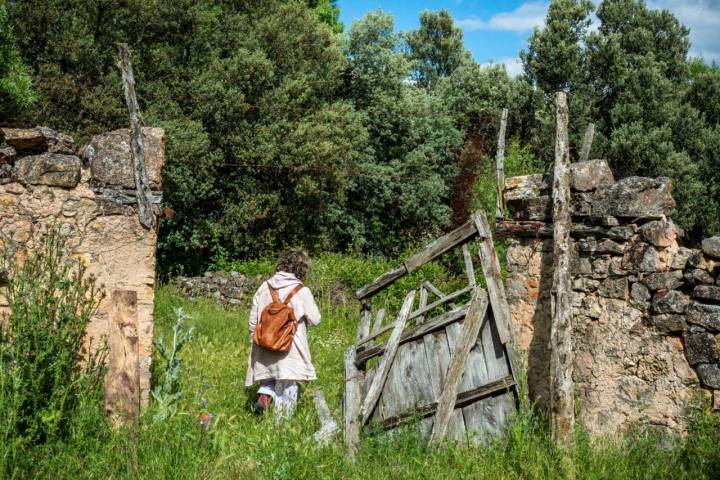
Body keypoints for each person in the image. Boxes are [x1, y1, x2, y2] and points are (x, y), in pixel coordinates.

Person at [245, 250, 321, 421]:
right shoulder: (302, 291)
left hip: (264, 345)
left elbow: (252, 321)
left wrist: (258, 339)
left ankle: (264, 396)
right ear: (302, 268)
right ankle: (281, 428)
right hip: (289, 348)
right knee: (287, 385)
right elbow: (315, 319)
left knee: (269, 377)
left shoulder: (264, 287)